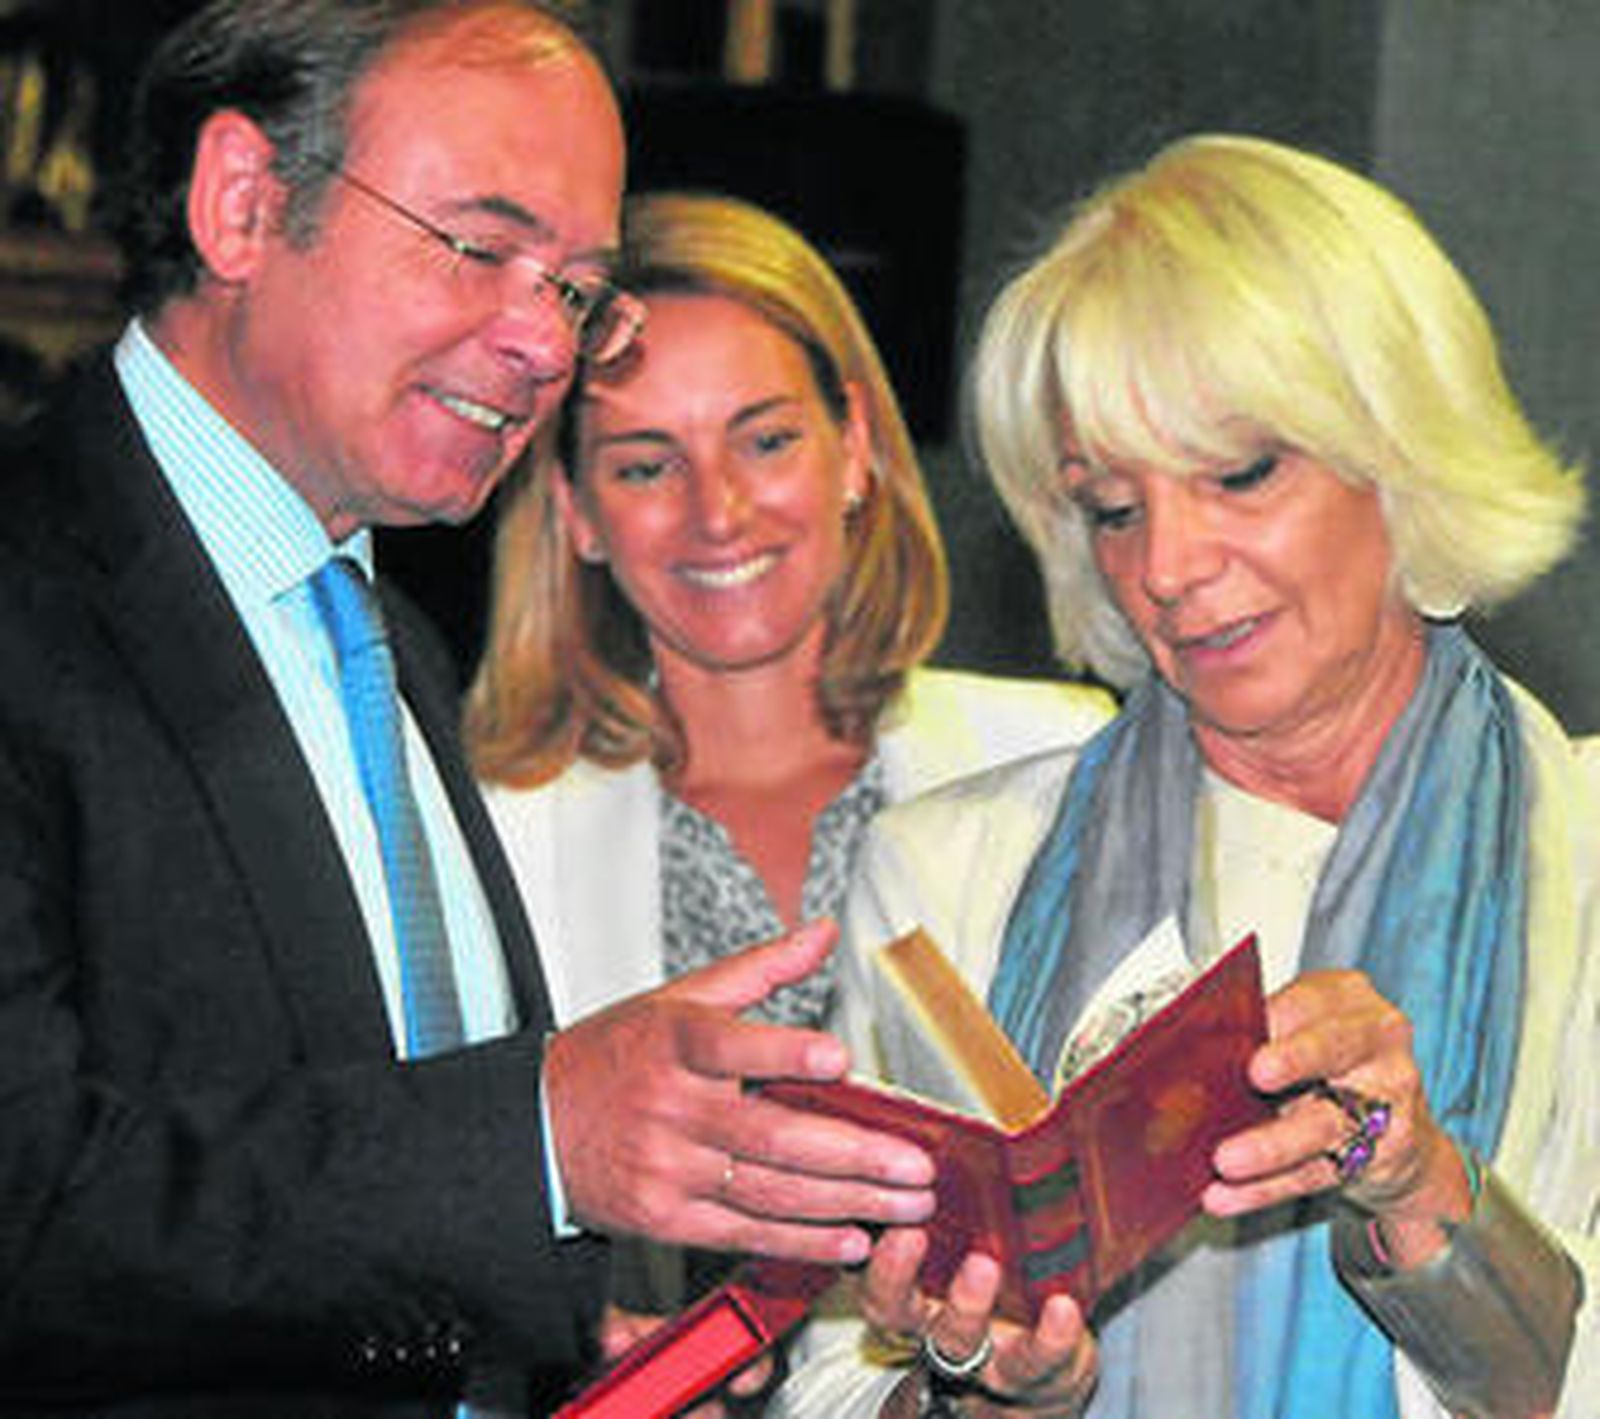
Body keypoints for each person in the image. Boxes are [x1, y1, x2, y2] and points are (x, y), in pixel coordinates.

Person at [0, 4, 940, 1415]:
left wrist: (554, 1357)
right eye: (479, 249)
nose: (541, 343)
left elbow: (338, 1203)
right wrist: (541, 1138)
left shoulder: (392, 645)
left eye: (576, 291)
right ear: (243, 205)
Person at [775, 134, 1598, 1419]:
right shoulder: (950, 873)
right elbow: (830, 1376)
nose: (1165, 565)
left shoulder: (1582, 853)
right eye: (1112, 507)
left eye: (1239, 475)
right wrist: (974, 1391)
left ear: (1401, 455)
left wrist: (1424, 1194)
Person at [464, 191, 1113, 1326]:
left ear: (854, 446)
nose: (717, 513)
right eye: (646, 466)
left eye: (765, 441)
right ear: (573, 509)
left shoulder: (1066, 757)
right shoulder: (488, 836)